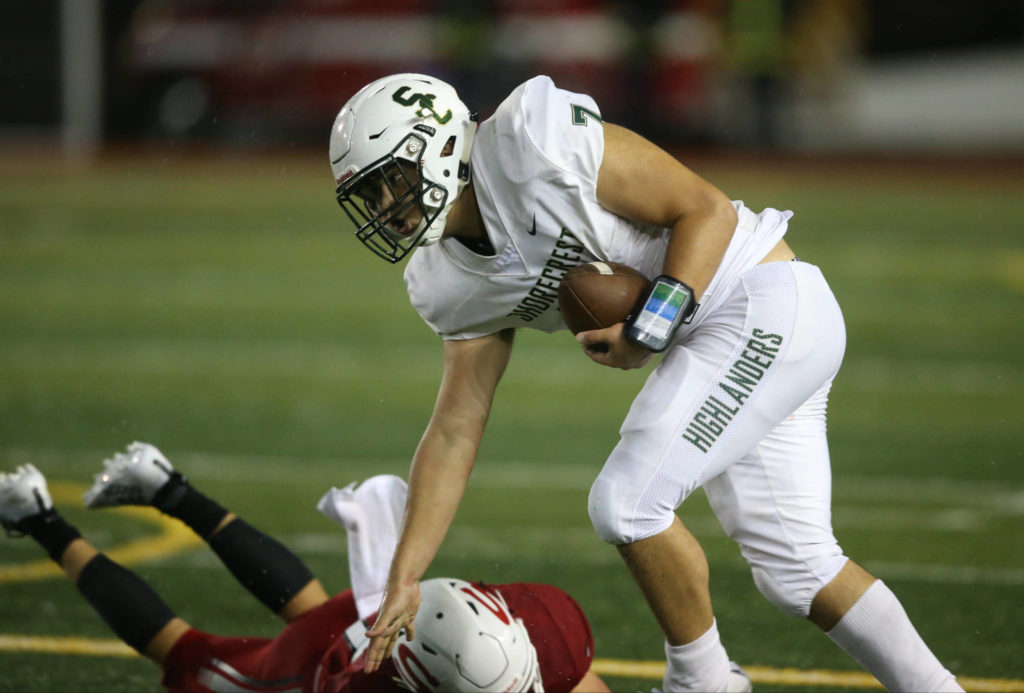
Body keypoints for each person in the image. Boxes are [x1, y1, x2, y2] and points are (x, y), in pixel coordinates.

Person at [328, 73, 964, 692]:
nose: (386, 208)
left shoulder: (533, 140)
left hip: (760, 300)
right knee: (799, 570)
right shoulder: (445, 281)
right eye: (370, 195)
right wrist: (404, 575)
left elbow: (704, 208)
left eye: (391, 181)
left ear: (437, 145)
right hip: (738, 338)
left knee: (626, 504)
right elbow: (455, 426)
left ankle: (702, 679)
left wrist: (650, 329)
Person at [0, 442, 608, 693]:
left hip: (383, 614)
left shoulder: (549, 622)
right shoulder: (357, 684)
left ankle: (166, 486)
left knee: (319, 614)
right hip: (327, 657)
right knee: (191, 658)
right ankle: (38, 516)